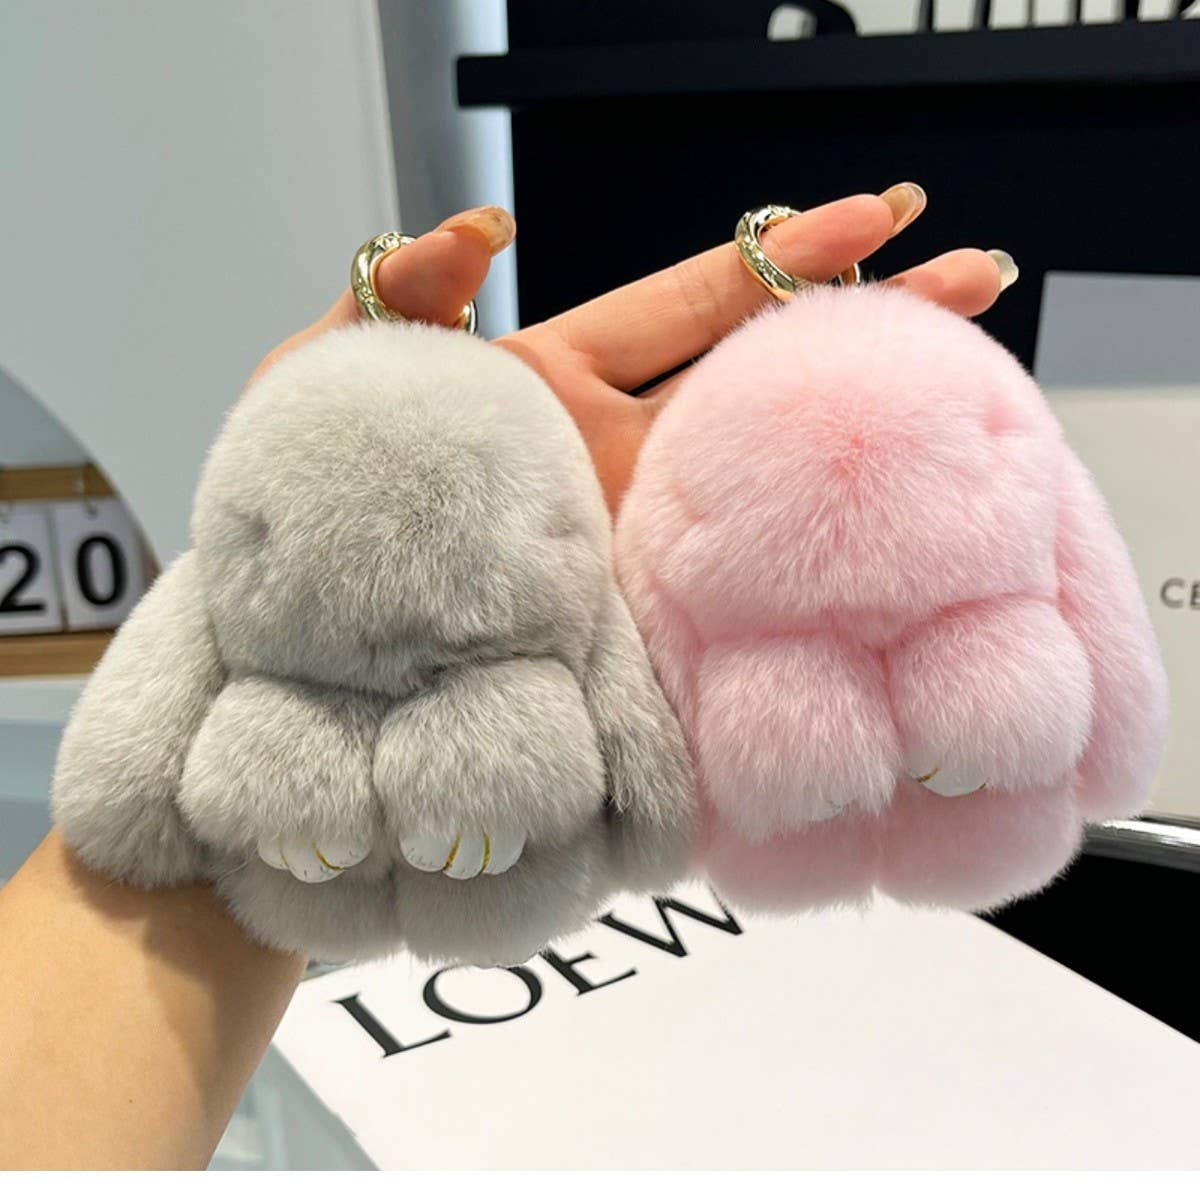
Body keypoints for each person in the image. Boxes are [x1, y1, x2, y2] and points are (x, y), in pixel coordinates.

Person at [0, 189, 1012, 1169]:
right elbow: (179, 672)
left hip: (428, 796)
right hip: (344, 781)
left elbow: (139, 756)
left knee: (484, 750)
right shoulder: (359, 519)